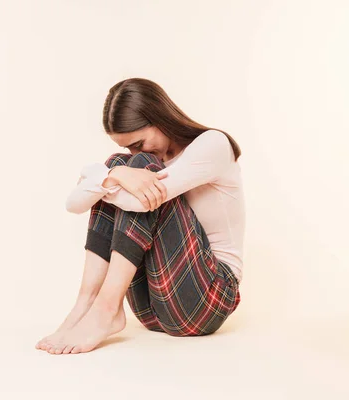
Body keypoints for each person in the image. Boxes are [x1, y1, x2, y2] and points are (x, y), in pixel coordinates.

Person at [35, 77, 245, 355]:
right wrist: (115, 173)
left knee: (141, 169)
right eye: (129, 146)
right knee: (120, 165)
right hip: (153, 306)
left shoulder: (213, 144)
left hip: (208, 299)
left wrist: (108, 179)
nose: (137, 151)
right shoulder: (131, 162)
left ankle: (106, 308)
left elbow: (138, 201)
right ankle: (86, 304)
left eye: (139, 142)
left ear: (159, 118)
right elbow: (73, 204)